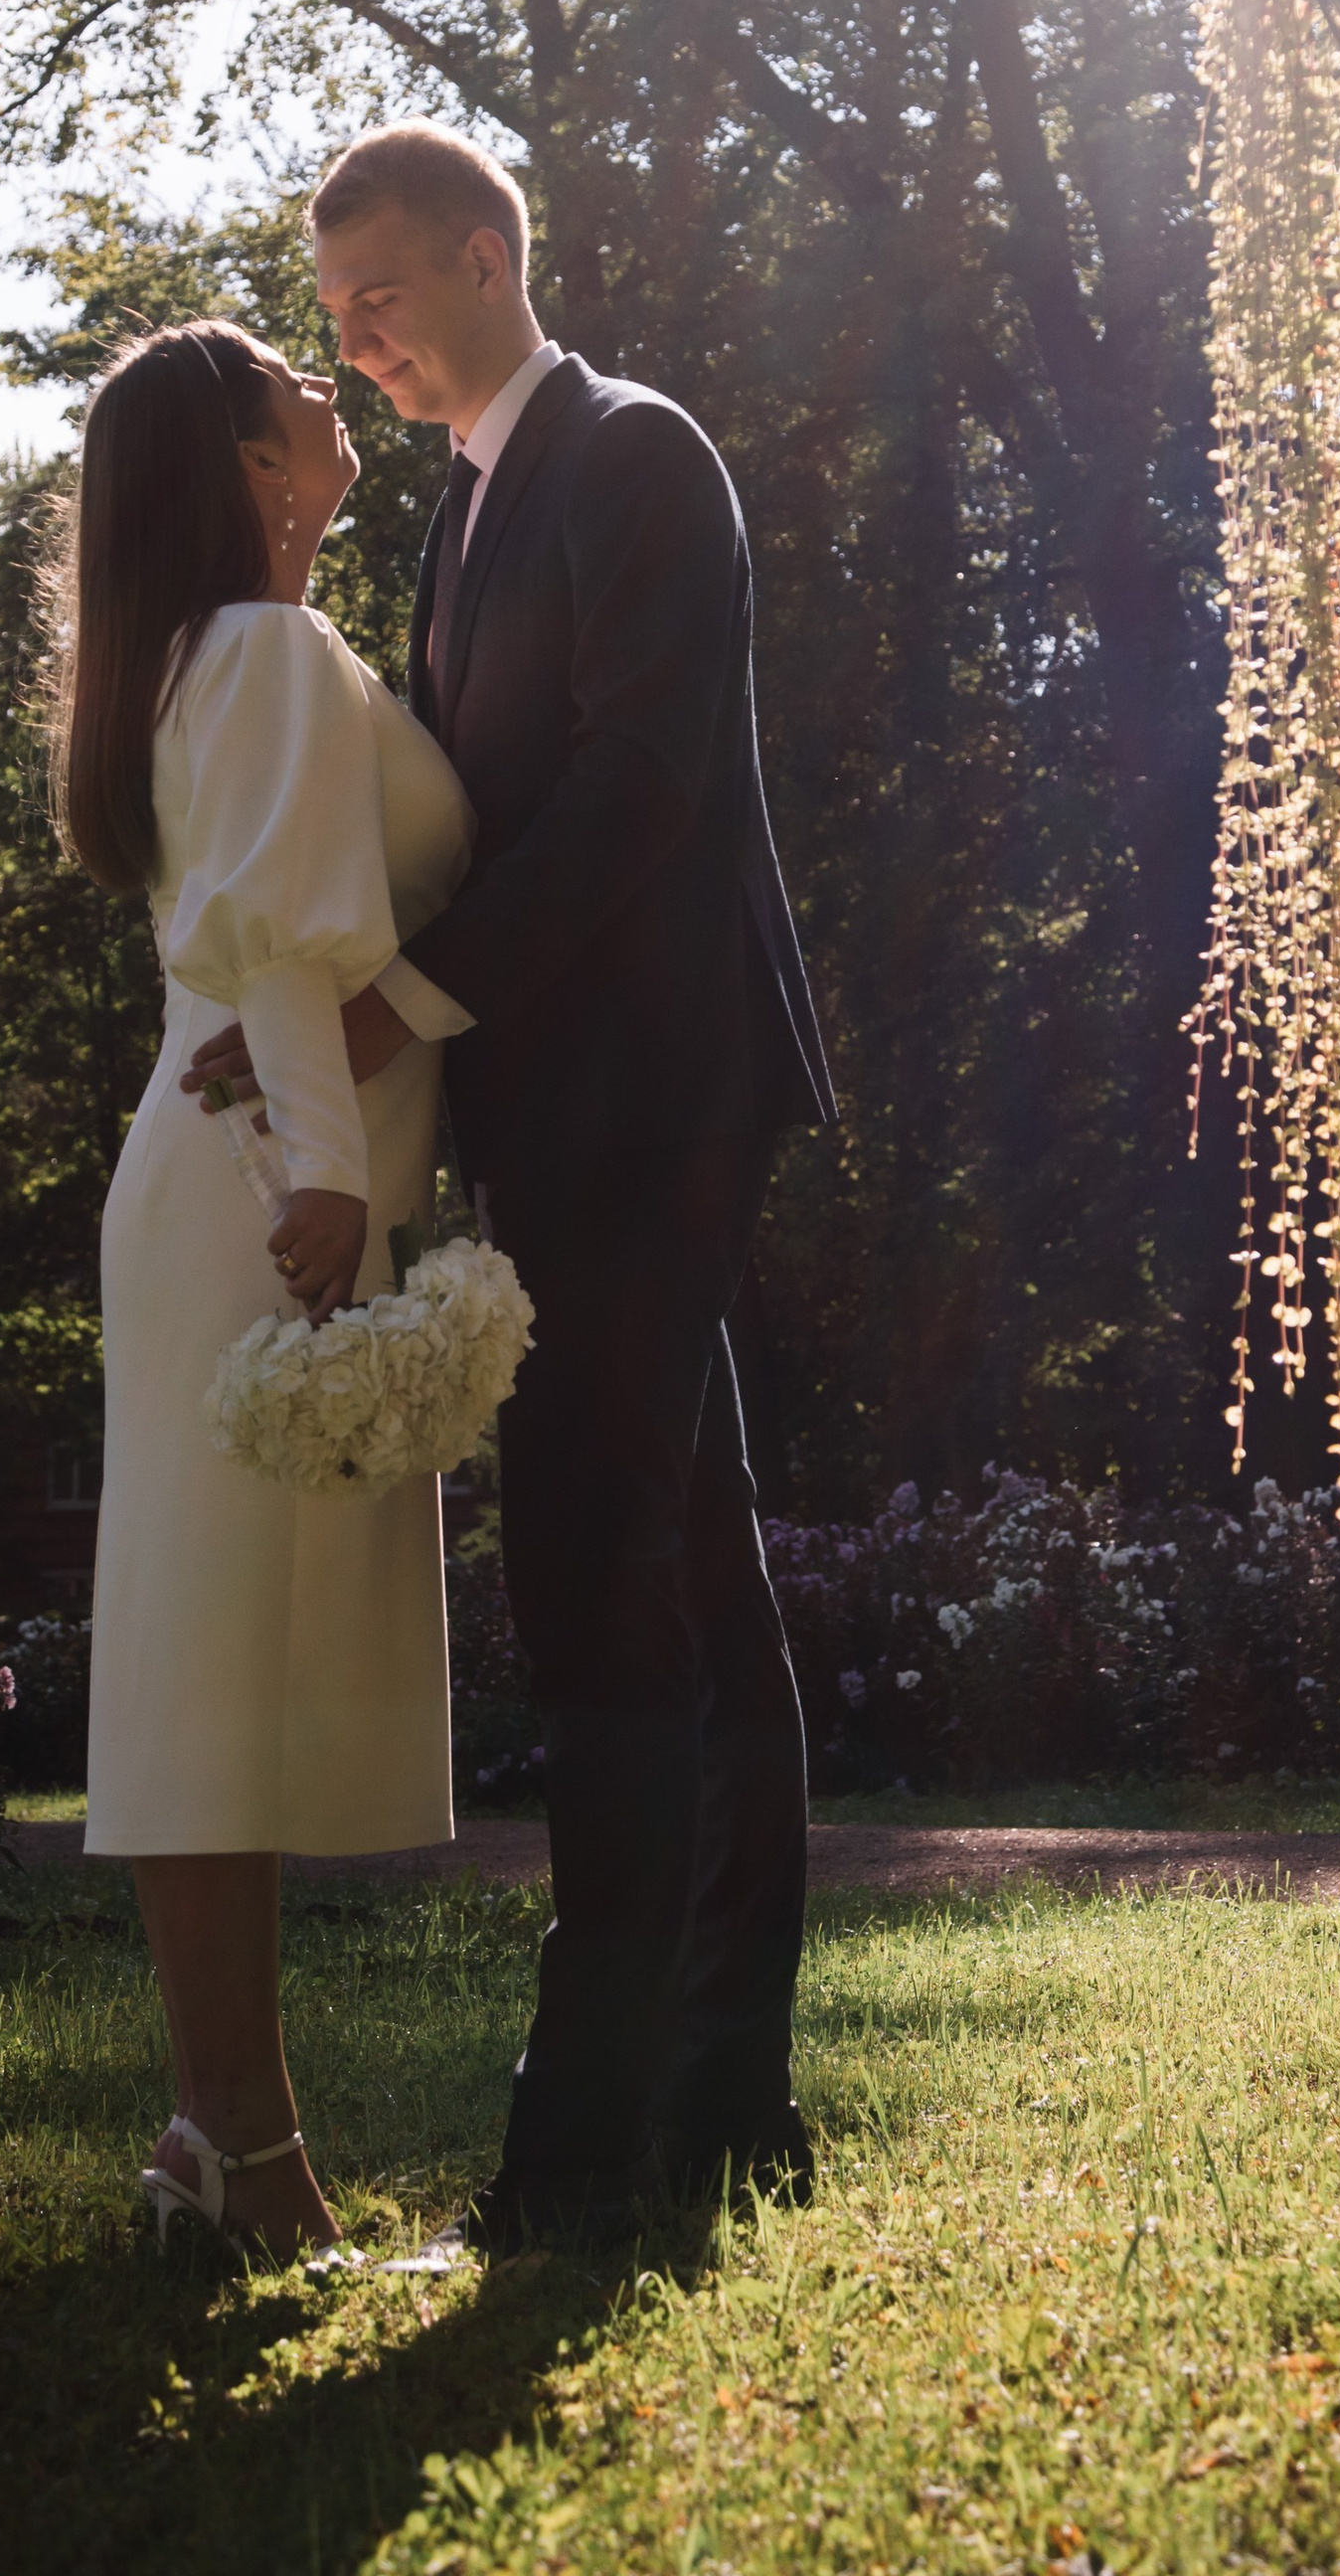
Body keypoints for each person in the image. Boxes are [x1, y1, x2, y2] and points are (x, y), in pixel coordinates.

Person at [181, 123, 833, 2252]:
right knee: (701, 1588)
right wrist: (284, 1026)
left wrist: (389, 1015)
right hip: (548, 1114)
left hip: (657, 1095)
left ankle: (578, 2159)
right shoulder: (457, 520)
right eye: (332, 310)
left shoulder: (641, 458)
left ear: (484, 257)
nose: (350, 338)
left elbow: (639, 791)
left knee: (590, 1581)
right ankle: (731, 2094)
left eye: (379, 295)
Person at [54, 318, 477, 2260]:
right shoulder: (264, 656)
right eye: (294, 381)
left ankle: (213, 2143)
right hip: (253, 1190)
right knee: (206, 1668)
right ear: (245, 460)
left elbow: (312, 937)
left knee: (203, 1657)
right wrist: (322, 1179)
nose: (331, 385)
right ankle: (247, 2154)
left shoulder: (224, 655)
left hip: (211, 1176)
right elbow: (281, 943)